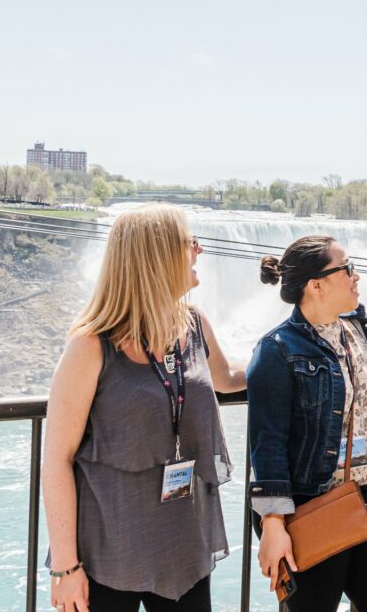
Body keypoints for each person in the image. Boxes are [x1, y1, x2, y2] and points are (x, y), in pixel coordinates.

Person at [43, 204, 247, 612]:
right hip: (108, 553)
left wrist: (284, 360)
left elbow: (226, 378)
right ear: (156, 257)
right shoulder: (90, 346)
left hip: (183, 546)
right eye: (189, 243)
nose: (199, 251)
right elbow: (56, 460)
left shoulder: (193, 324)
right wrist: (66, 568)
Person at [246, 235, 367, 612]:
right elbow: (268, 443)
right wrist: (273, 524)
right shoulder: (277, 350)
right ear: (316, 285)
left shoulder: (359, 325)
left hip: (360, 498)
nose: (357, 276)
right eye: (348, 269)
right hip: (310, 510)